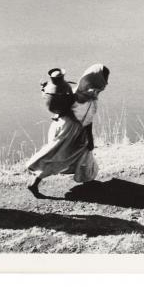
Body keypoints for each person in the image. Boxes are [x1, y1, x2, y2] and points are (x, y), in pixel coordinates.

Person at [26, 63, 110, 198]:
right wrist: (90, 138)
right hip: (70, 131)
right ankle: (34, 183)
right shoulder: (86, 99)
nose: (106, 82)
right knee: (57, 156)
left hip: (66, 128)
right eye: (105, 79)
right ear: (98, 80)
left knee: (77, 154)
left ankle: (87, 181)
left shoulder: (79, 92)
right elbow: (86, 121)